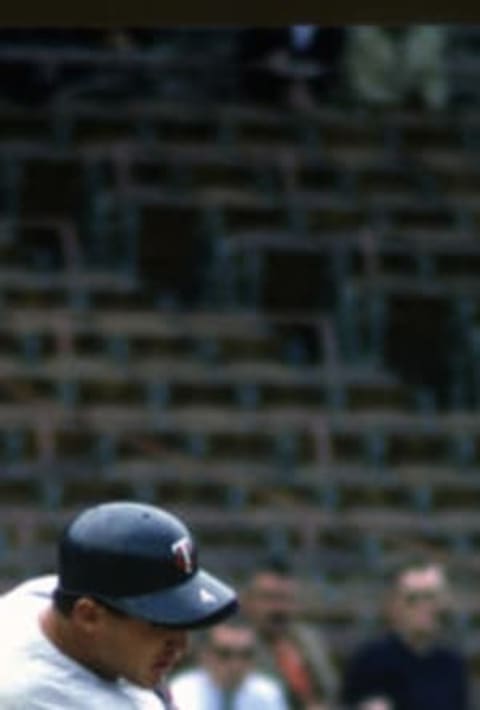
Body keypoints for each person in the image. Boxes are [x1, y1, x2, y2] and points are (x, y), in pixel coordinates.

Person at [0, 500, 238, 709]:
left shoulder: (36, 600)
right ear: (88, 617)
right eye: (159, 623)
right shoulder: (42, 695)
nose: (180, 644)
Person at [340, 557, 470, 710]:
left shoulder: (452, 664)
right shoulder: (370, 661)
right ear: (393, 605)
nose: (425, 606)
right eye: (413, 599)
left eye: (431, 597)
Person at [241, 558, 338, 709]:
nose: (278, 608)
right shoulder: (234, 648)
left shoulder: (310, 639)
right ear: (248, 601)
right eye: (269, 598)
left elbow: (331, 691)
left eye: (285, 599)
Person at [170, 617, 288, 710]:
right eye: (225, 654)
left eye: (246, 655)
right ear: (205, 656)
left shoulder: (267, 693)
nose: (236, 665)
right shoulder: (180, 693)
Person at [344, 26, 448, 110]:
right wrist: (393, 104)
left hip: (419, 114)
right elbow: (361, 83)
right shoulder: (362, 36)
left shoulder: (430, 36)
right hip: (374, 110)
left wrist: (429, 102)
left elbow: (434, 79)